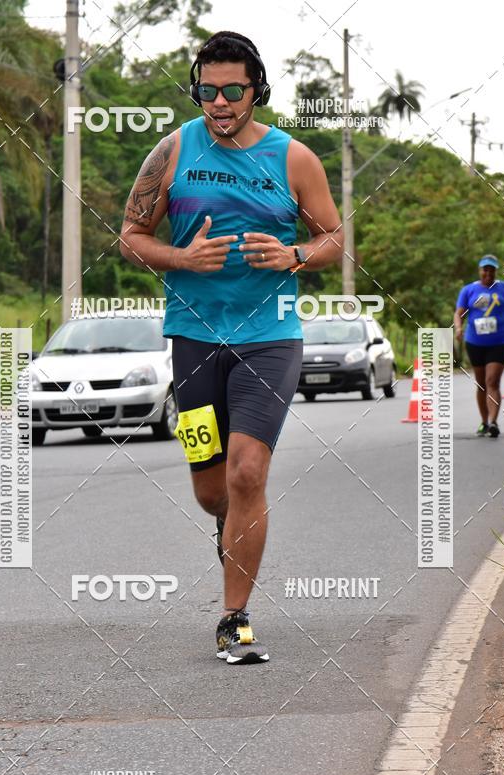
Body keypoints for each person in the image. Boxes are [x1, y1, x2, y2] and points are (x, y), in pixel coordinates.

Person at [120, 31, 342, 663]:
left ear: (257, 90)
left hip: (270, 339)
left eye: (233, 91)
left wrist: (296, 254)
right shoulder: (171, 151)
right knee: (212, 491)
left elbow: (335, 239)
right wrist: (181, 257)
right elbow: (131, 237)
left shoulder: (293, 158)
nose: (219, 103)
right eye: (208, 91)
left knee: (248, 471)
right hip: (192, 339)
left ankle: (234, 617)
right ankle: (228, 526)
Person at [455, 254, 504, 438]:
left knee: (492, 381)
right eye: (485, 269)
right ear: (480, 271)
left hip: (500, 342)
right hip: (475, 343)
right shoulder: (469, 290)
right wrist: (459, 328)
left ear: (496, 271)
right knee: (482, 384)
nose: (488, 273)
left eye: (491, 269)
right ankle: (484, 422)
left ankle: (493, 422)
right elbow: (459, 313)